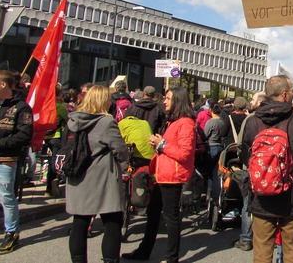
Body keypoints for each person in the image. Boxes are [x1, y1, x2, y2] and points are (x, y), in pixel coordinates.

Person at [240, 75, 293, 263]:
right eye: (292, 91)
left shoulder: (252, 122)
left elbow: (245, 155)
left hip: (261, 196)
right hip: (292, 197)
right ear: (284, 94)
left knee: (262, 253)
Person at [122, 86, 196, 263]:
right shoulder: (175, 122)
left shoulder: (185, 123)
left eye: (168, 98)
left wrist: (161, 144)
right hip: (163, 174)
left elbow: (185, 153)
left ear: (178, 100)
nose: (164, 101)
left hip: (172, 176)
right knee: (154, 214)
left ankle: (171, 257)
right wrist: (158, 144)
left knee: (170, 218)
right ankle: (144, 251)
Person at [65, 85, 130, 263]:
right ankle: (110, 260)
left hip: (78, 176)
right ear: (103, 101)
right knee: (112, 222)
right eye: (109, 98)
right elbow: (121, 150)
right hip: (102, 178)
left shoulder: (73, 120)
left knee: (80, 222)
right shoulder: (106, 122)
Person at [0, 70, 33, 254]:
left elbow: (24, 134)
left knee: (6, 196)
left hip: (6, 158)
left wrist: (1, 144)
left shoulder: (21, 107)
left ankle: (11, 233)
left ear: (3, 84)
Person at [233, 91, 267, 252]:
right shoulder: (276, 119)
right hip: (270, 169)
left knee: (248, 204)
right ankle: (266, 238)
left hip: (251, 167)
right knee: (267, 204)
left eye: (253, 100)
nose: (251, 103)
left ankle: (246, 238)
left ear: (259, 103)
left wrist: (244, 160)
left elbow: (240, 143)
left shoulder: (250, 119)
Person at [44, 83, 69, 198]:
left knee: (51, 161)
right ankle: (53, 183)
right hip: (57, 136)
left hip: (46, 136)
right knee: (56, 162)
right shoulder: (60, 106)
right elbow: (69, 120)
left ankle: (49, 187)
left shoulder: (46, 104)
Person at [204, 101, 225, 201]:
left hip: (211, 147)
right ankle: (217, 193)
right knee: (217, 171)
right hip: (220, 146)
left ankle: (210, 191)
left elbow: (205, 135)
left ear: (211, 110)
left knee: (210, 172)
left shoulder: (210, 122)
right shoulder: (222, 122)